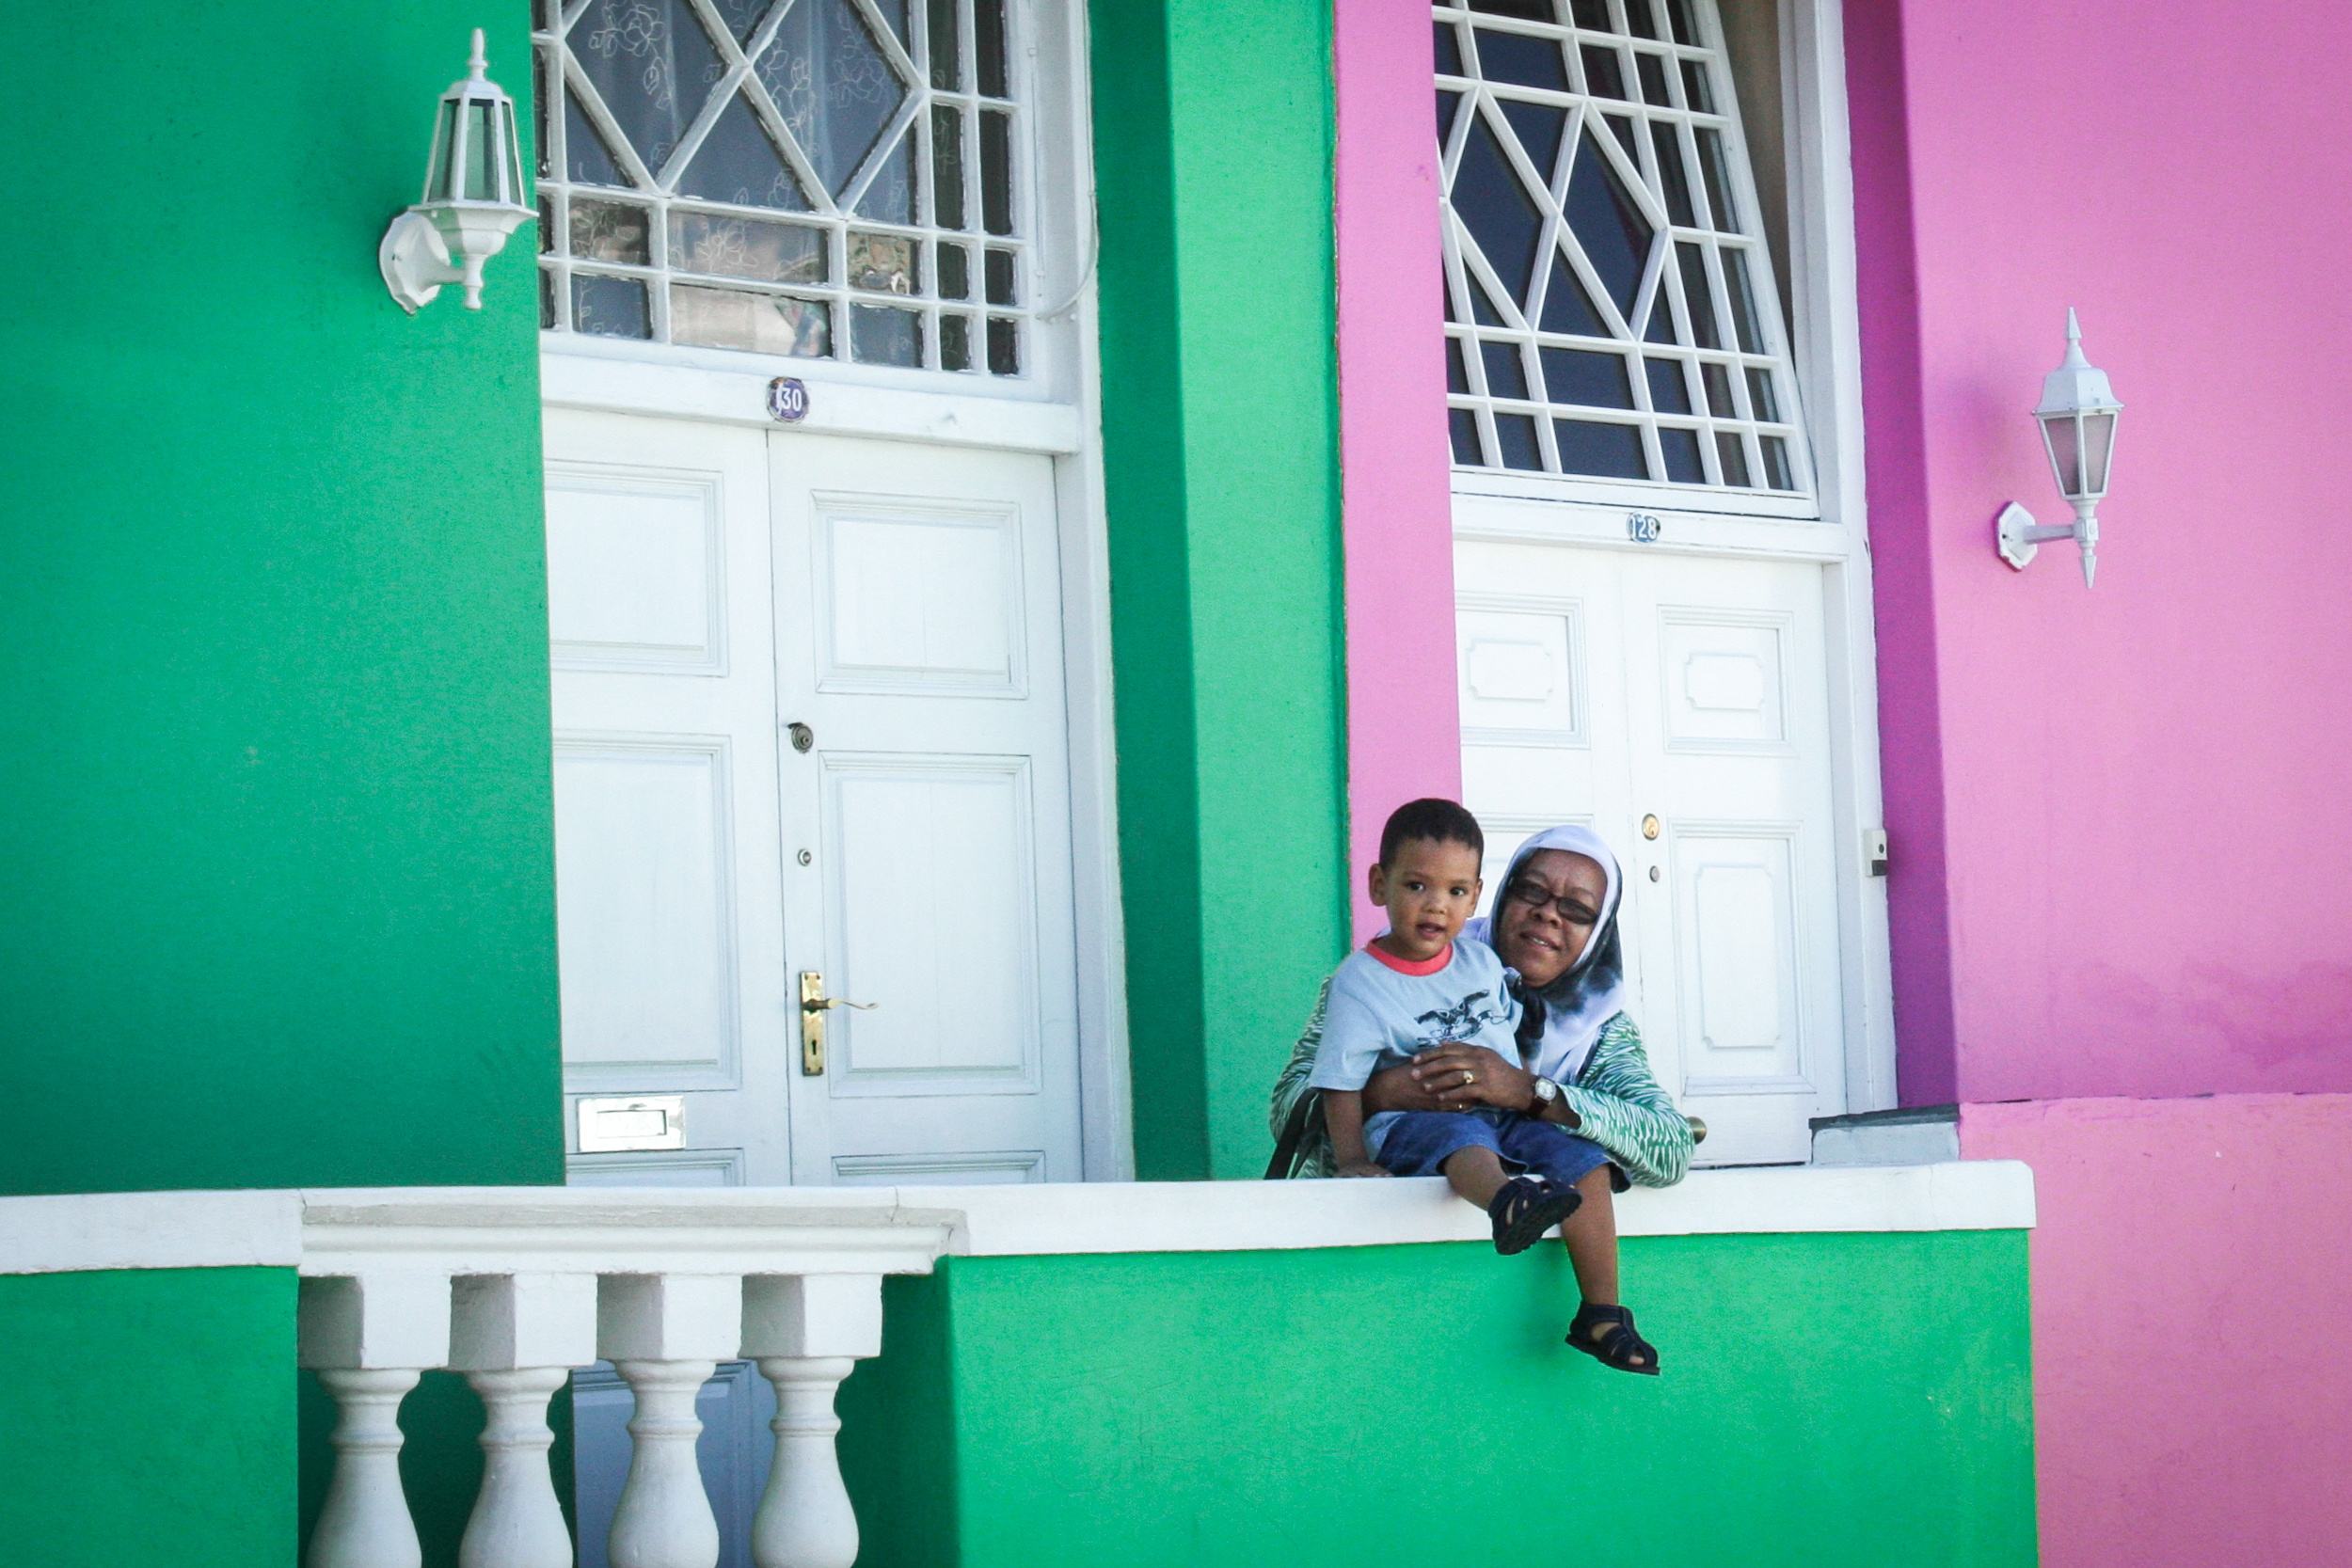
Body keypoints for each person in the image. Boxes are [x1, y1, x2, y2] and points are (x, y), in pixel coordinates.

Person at [1272, 822, 1693, 1375]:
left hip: (1492, 1326)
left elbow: (1670, 1149)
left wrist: (1530, 1092)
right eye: (1532, 892)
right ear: (1498, 895)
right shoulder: (1392, 971)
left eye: (1577, 909)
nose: (1548, 914)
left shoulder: (1600, 1029)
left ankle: (1603, 1312)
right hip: (1371, 1280)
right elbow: (1287, 1111)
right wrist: (1388, 1091)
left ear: (1598, 931)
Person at [1305, 799, 1594, 1256]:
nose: (1437, 906)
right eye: (1417, 885)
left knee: (1580, 1156)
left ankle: (1603, 1310)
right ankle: (1507, 1203)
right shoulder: (1358, 983)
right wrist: (1354, 1160)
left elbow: (1505, 1040)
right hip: (1418, 1125)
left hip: (1499, 1117)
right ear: (1380, 885)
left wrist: (1520, 1095)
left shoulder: (1482, 963)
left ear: (1477, 896)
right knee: (1464, 1137)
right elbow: (1338, 1083)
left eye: (1456, 892)